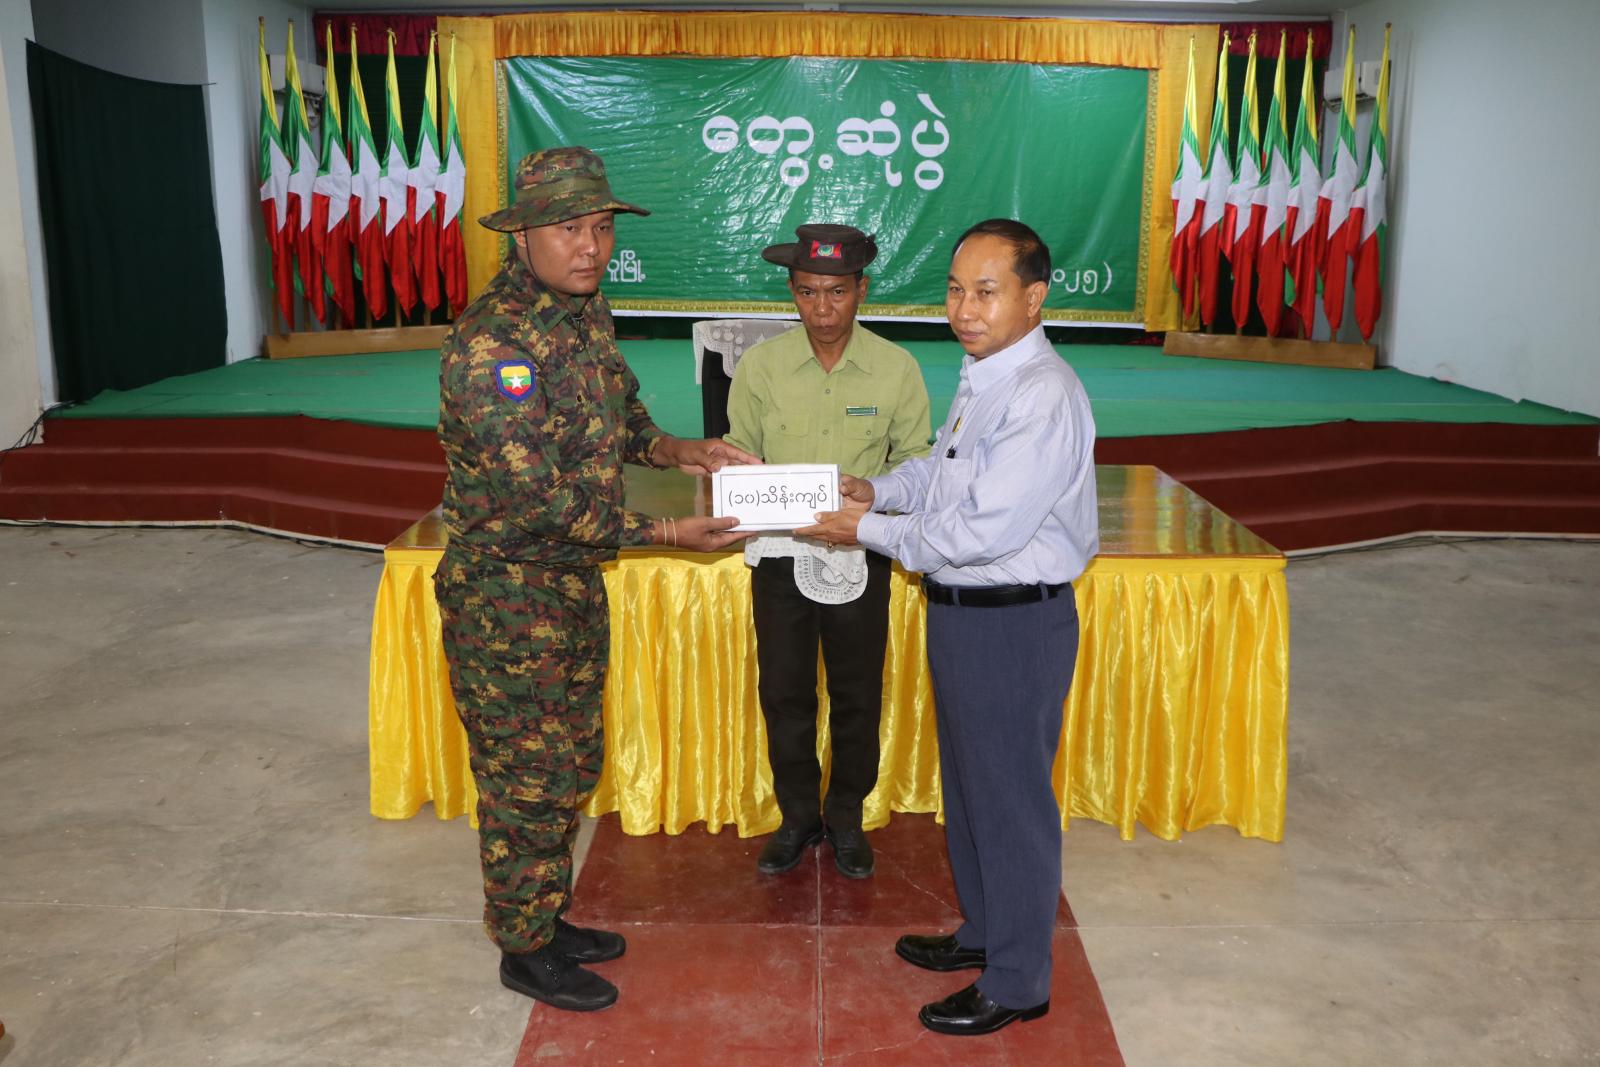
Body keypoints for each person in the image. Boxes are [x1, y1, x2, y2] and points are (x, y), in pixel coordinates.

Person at [435, 146, 756, 1014]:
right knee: (524, 778)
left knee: (569, 762)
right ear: (523, 236)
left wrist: (679, 449)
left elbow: (619, 412)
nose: (591, 247)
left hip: (571, 583)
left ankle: (545, 915)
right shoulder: (495, 345)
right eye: (569, 229)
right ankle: (522, 945)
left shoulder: (583, 312)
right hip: (508, 597)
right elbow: (536, 498)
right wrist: (666, 533)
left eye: (601, 228)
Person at [798, 219, 1098, 1036]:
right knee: (970, 791)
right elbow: (944, 471)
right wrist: (878, 490)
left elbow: (983, 530)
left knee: (1011, 802)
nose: (965, 309)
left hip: (1014, 623)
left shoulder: (1042, 395)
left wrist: (862, 530)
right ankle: (986, 932)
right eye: (957, 290)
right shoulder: (987, 373)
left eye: (987, 292)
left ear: (1034, 298)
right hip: (967, 617)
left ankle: (1019, 979)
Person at [724, 224, 930, 879]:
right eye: (808, 292)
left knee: (856, 694)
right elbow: (740, 455)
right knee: (784, 693)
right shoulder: (761, 367)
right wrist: (735, 488)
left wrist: (872, 500)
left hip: (859, 551)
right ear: (792, 291)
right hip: (779, 555)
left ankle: (845, 817)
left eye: (837, 292)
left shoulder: (896, 368)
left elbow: (917, 460)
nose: (822, 307)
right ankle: (796, 818)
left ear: (861, 290)